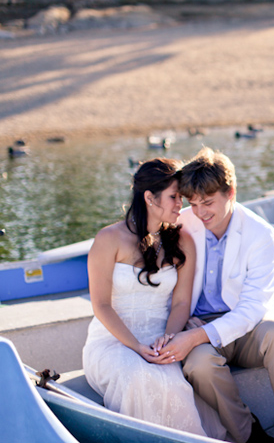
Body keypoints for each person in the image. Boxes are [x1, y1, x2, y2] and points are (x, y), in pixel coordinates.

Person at [158, 147, 274, 443]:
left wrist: (196, 337)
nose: (201, 213)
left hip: (251, 326)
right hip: (198, 322)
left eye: (209, 203)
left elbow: (252, 309)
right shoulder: (182, 223)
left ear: (231, 192)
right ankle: (249, 434)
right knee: (199, 364)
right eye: (194, 203)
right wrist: (186, 328)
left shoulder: (261, 235)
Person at [82, 158, 220, 437]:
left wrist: (168, 339)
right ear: (149, 197)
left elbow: (181, 303)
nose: (180, 204)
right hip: (113, 342)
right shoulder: (108, 239)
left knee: (172, 384)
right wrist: (135, 346)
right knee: (136, 377)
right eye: (173, 197)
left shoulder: (183, 243)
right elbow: (101, 305)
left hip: (160, 340)